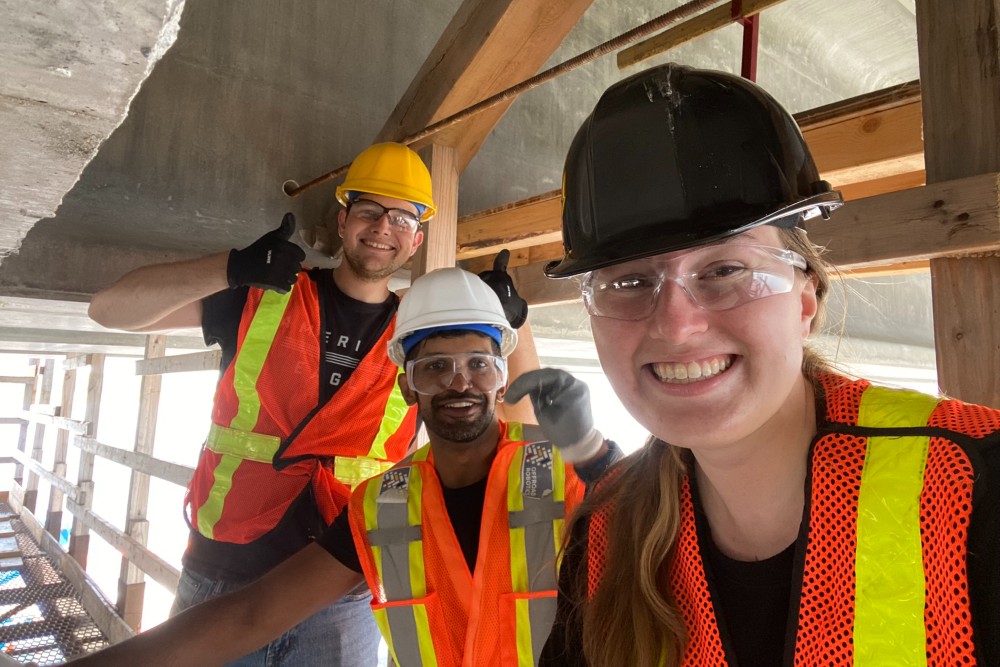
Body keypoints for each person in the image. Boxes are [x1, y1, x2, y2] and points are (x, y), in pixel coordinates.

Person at [529, 63, 1000, 667]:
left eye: (725, 271)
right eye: (628, 280)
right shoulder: (606, 535)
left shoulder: (976, 488)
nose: (676, 325)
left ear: (805, 300)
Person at [69, 267, 618, 666]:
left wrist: (595, 451)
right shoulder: (383, 509)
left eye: (479, 364)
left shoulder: (565, 475)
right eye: (436, 367)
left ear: (502, 376)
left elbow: (667, 530)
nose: (459, 382)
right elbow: (252, 615)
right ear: (407, 385)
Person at [88, 142, 443, 666]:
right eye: (369, 211)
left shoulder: (422, 336)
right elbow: (108, 309)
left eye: (402, 217)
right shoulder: (267, 292)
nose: (382, 227)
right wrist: (231, 267)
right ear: (344, 221)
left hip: (342, 588)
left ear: (415, 240)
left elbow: (499, 421)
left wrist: (507, 325)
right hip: (223, 576)